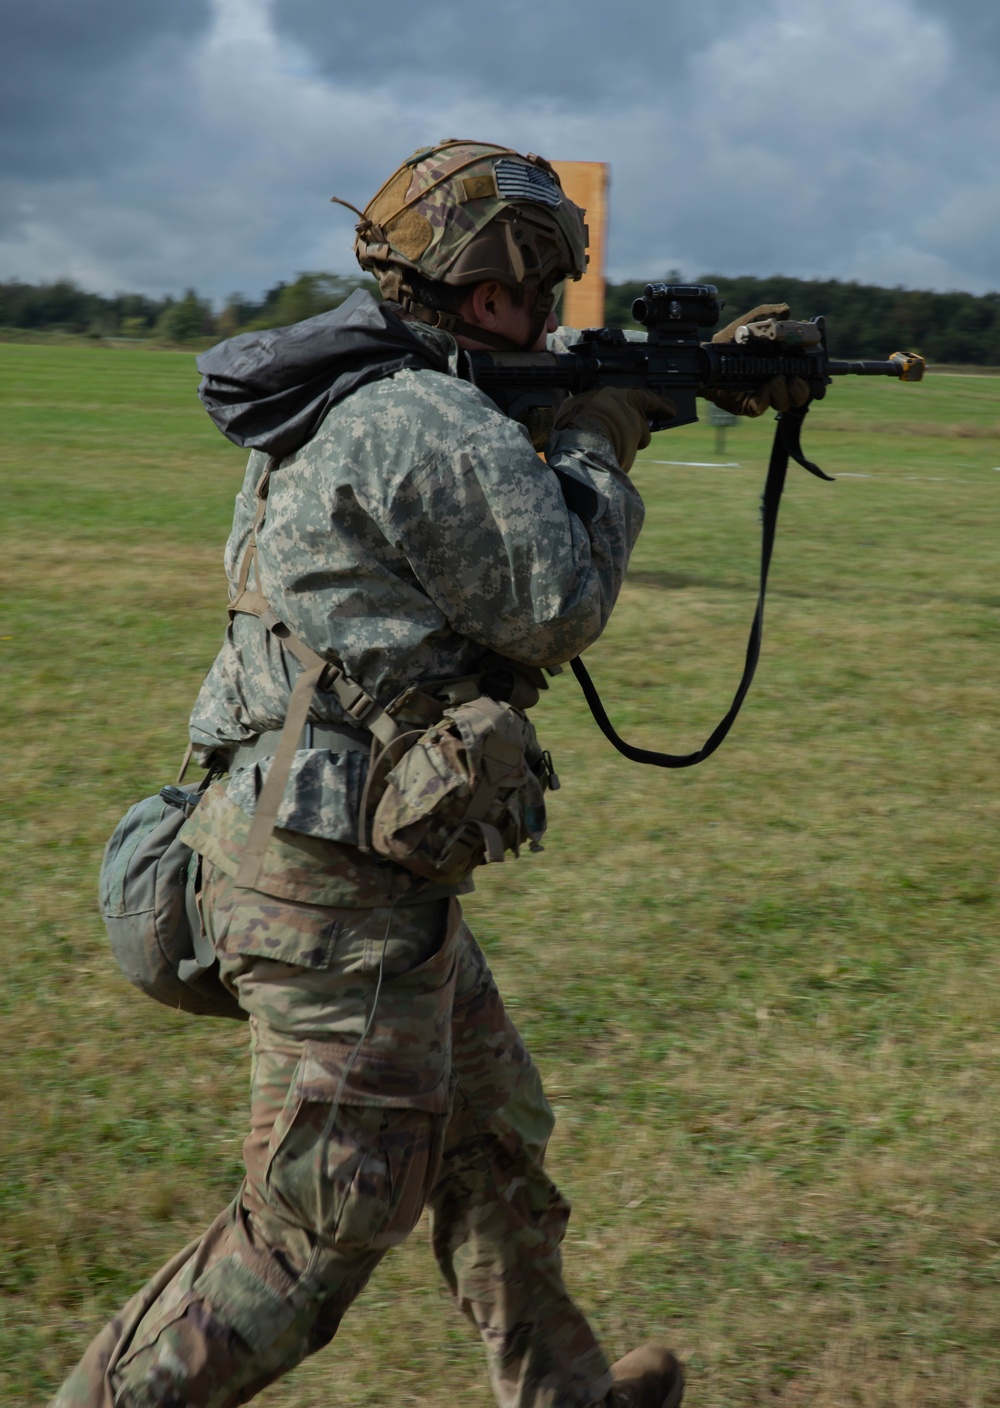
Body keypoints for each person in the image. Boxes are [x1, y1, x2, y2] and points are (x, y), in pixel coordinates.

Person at [52, 138, 798, 1408]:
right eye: (546, 280)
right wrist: (606, 434)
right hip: (329, 898)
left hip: (316, 853)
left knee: (489, 1146)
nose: (559, 304)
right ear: (494, 284)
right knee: (315, 1234)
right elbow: (554, 600)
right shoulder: (422, 414)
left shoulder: (355, 382)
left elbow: (482, 492)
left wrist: (638, 391)